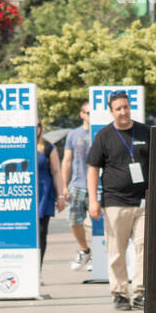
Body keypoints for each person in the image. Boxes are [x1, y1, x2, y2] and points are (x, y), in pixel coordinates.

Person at [87, 91, 150, 311]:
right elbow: (93, 168)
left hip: (144, 203)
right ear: (111, 111)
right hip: (115, 202)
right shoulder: (103, 136)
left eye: (125, 107)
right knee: (116, 251)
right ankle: (120, 293)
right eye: (118, 109)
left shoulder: (145, 132)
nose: (123, 112)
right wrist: (93, 201)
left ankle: (141, 291)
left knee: (145, 248)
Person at [62, 101, 92, 272]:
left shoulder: (100, 132)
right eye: (87, 113)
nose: (90, 117)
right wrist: (64, 186)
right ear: (81, 114)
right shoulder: (73, 134)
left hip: (97, 185)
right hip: (77, 184)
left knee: (99, 224)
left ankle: (98, 256)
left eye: (92, 113)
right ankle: (84, 250)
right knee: (74, 220)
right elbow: (67, 161)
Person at [36, 121, 65, 272]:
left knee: (41, 232)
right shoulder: (16, 144)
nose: (36, 128)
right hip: (23, 195)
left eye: (38, 125)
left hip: (43, 195)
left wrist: (60, 196)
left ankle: (37, 270)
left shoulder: (47, 147)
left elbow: (56, 171)